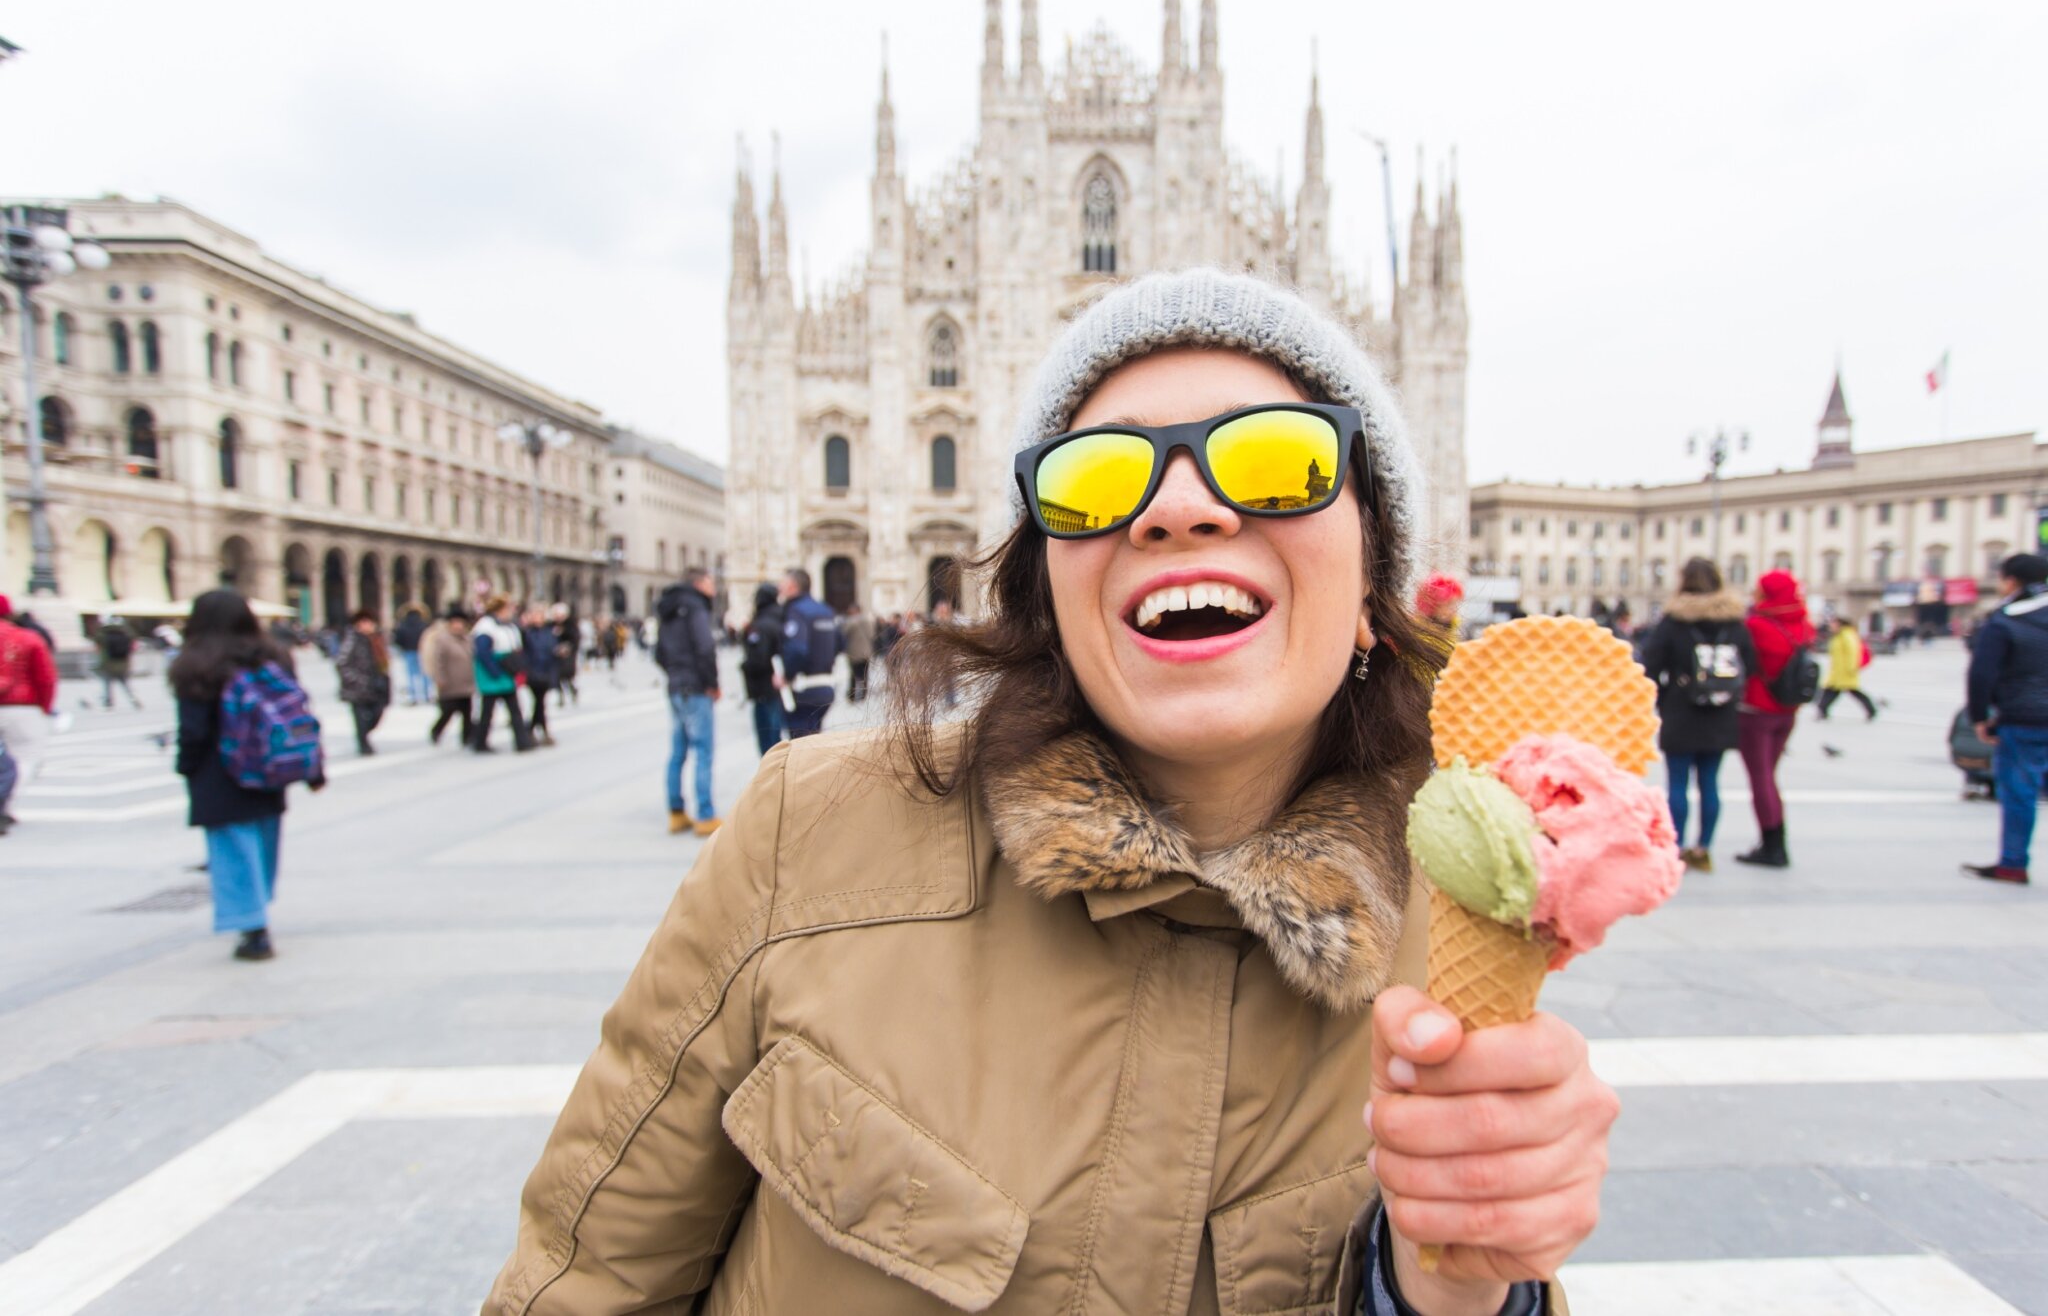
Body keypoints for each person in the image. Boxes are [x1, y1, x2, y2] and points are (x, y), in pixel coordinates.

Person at [486, 269, 1611, 1316]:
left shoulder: (1457, 941)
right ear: (1044, 592)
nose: (1180, 508)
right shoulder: (810, 833)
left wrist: (1452, 1288)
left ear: (1373, 585)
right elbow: (583, 1285)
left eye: (1276, 461)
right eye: (1097, 475)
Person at [170, 589, 325, 961]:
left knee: (231, 846)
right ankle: (257, 904)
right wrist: (312, 764)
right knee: (262, 838)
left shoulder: (195, 663)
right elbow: (295, 709)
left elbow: (193, 729)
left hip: (219, 769)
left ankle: (252, 925)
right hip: (269, 764)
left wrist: (186, 765)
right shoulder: (273, 656)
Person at [1639, 557, 1756, 872]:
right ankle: (1704, 848)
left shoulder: (1675, 620)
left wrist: (1665, 696)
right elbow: (1750, 663)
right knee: (1710, 781)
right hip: (1721, 711)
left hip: (1681, 709)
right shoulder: (1734, 622)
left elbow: (1649, 665)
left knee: (1677, 781)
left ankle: (1675, 847)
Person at [1963, 552, 2048, 884]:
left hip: (2022, 717)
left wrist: (1979, 716)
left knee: (2019, 791)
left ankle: (2013, 863)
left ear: (2010, 581)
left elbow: (1982, 674)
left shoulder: (2004, 620)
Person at [1735, 568, 1816, 868]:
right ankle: (1772, 840)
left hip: (1757, 711)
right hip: (1788, 711)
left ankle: (1773, 846)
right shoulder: (1804, 625)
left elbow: (1744, 659)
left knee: (1761, 779)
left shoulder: (1756, 624)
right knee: (1770, 776)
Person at [655, 568, 721, 835]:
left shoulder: (668, 608)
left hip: (675, 686)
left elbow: (659, 651)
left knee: (678, 752)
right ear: (699, 583)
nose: (713, 587)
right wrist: (711, 683)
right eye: (710, 581)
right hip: (695, 687)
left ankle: (676, 812)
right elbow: (705, 647)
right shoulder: (695, 607)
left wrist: (674, 673)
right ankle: (705, 815)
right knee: (703, 750)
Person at [0, 595, 58, 822]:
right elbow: (46, 678)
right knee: (27, 757)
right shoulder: (27, 638)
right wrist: (44, 707)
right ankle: (5, 803)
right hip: (23, 708)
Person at [778, 568, 841, 738]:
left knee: (800, 745)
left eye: (782, 584)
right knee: (814, 740)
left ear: (792, 586)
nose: (779, 588)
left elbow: (797, 649)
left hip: (803, 688)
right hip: (826, 686)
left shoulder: (796, 611)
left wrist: (786, 675)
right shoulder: (826, 611)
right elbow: (840, 643)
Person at [471, 596, 534, 754]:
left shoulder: (508, 625)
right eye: (509, 608)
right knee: (488, 710)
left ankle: (522, 741)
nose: (512, 612)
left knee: (514, 708)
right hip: (493, 672)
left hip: (506, 670)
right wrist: (495, 671)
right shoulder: (486, 626)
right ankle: (480, 742)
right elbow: (483, 652)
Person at [335, 610, 392, 756]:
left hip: (377, 684)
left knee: (377, 713)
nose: (367, 626)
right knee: (360, 718)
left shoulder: (378, 638)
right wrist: (357, 679)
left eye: (369, 622)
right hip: (357, 688)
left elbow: (384, 661)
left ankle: (364, 737)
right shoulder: (352, 640)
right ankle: (364, 744)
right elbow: (342, 663)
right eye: (363, 623)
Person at [740, 581, 787, 755]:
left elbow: (756, 660)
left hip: (763, 688)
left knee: (768, 740)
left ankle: (770, 778)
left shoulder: (761, 625)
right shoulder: (782, 619)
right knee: (777, 736)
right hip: (780, 687)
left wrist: (744, 667)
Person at [422, 607, 476, 747]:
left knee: (467, 711)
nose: (458, 625)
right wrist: (440, 678)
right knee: (448, 710)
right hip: (449, 681)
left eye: (460, 622)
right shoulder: (442, 639)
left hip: (466, 681)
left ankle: (467, 736)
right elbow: (438, 660)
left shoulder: (467, 638)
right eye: (455, 622)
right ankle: (436, 730)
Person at [1816, 614, 1876, 721]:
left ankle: (1872, 710)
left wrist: (1851, 668)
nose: (1831, 625)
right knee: (1831, 691)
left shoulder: (1847, 635)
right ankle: (1822, 710)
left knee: (1852, 691)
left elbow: (1853, 653)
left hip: (1846, 671)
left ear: (1839, 624)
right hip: (1837, 671)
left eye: (1833, 623)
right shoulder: (1839, 635)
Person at [521, 607, 560, 746]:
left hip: (546, 670)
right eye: (535, 615)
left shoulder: (549, 632)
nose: (538, 619)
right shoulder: (526, 633)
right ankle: (539, 731)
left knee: (539, 702)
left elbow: (551, 648)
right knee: (539, 702)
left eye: (540, 616)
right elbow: (526, 652)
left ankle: (532, 730)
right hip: (533, 671)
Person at [95, 618, 144, 709]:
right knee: (126, 684)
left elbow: (97, 647)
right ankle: (133, 699)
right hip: (123, 664)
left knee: (107, 684)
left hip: (108, 664)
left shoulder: (102, 635)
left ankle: (108, 702)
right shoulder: (126, 634)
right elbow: (133, 643)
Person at [392, 602, 432, 706]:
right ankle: (427, 695)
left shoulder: (402, 625)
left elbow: (398, 639)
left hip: (409, 651)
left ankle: (413, 697)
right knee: (425, 674)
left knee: (411, 675)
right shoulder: (424, 625)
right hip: (423, 652)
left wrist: (403, 647)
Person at [842, 601, 876, 702]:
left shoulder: (850, 621)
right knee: (864, 674)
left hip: (854, 652)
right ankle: (863, 695)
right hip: (866, 651)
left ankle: (852, 695)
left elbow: (844, 633)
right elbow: (872, 635)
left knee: (853, 675)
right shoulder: (868, 621)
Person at [551, 603, 581, 706]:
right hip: (556, 655)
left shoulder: (570, 625)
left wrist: (568, 648)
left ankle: (573, 690)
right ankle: (561, 697)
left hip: (568, 655)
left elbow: (575, 639)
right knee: (558, 677)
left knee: (567, 676)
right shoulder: (552, 625)